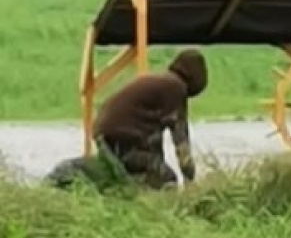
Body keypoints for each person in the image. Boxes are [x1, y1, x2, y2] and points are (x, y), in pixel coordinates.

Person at [48, 49, 210, 189]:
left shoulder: (161, 84)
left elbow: (154, 137)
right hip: (126, 137)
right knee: (166, 180)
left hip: (106, 132)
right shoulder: (175, 88)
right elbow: (181, 141)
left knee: (130, 176)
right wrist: (190, 180)